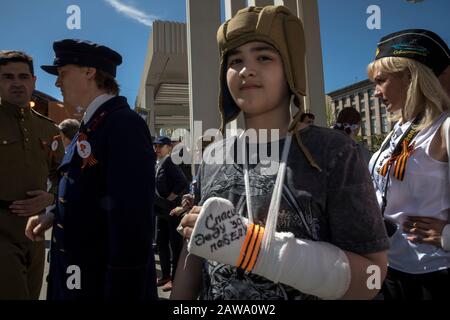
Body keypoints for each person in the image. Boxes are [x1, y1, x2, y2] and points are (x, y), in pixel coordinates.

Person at [171, 5, 389, 300]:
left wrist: (251, 246)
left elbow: (372, 278)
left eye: (264, 56)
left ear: (290, 69)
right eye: (235, 60)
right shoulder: (213, 157)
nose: (246, 69)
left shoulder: (334, 152)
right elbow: (194, 249)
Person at [25, 39, 158, 300]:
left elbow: (131, 222)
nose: (56, 83)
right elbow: (88, 190)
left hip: (101, 286)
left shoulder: (122, 124)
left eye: (63, 73)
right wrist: (54, 213)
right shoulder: (92, 125)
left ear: (89, 72)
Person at [368, 29, 450, 299]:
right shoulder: (397, 130)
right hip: (390, 268)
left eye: (380, 81)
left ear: (411, 76)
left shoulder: (444, 126)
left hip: (432, 274)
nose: (375, 94)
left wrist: (447, 235)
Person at [0, 50, 64, 299]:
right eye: (7, 76)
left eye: (23, 76)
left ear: (34, 81)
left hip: (35, 233)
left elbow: (62, 175)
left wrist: (50, 198)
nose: (17, 83)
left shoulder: (47, 128)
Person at [153, 135, 188, 292]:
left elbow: (182, 183)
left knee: (175, 245)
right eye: (156, 146)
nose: (157, 148)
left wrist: (170, 199)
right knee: (160, 242)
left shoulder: (170, 162)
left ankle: (175, 279)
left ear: (169, 147)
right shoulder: (157, 163)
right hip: (159, 211)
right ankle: (165, 275)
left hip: (172, 211)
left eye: (161, 146)